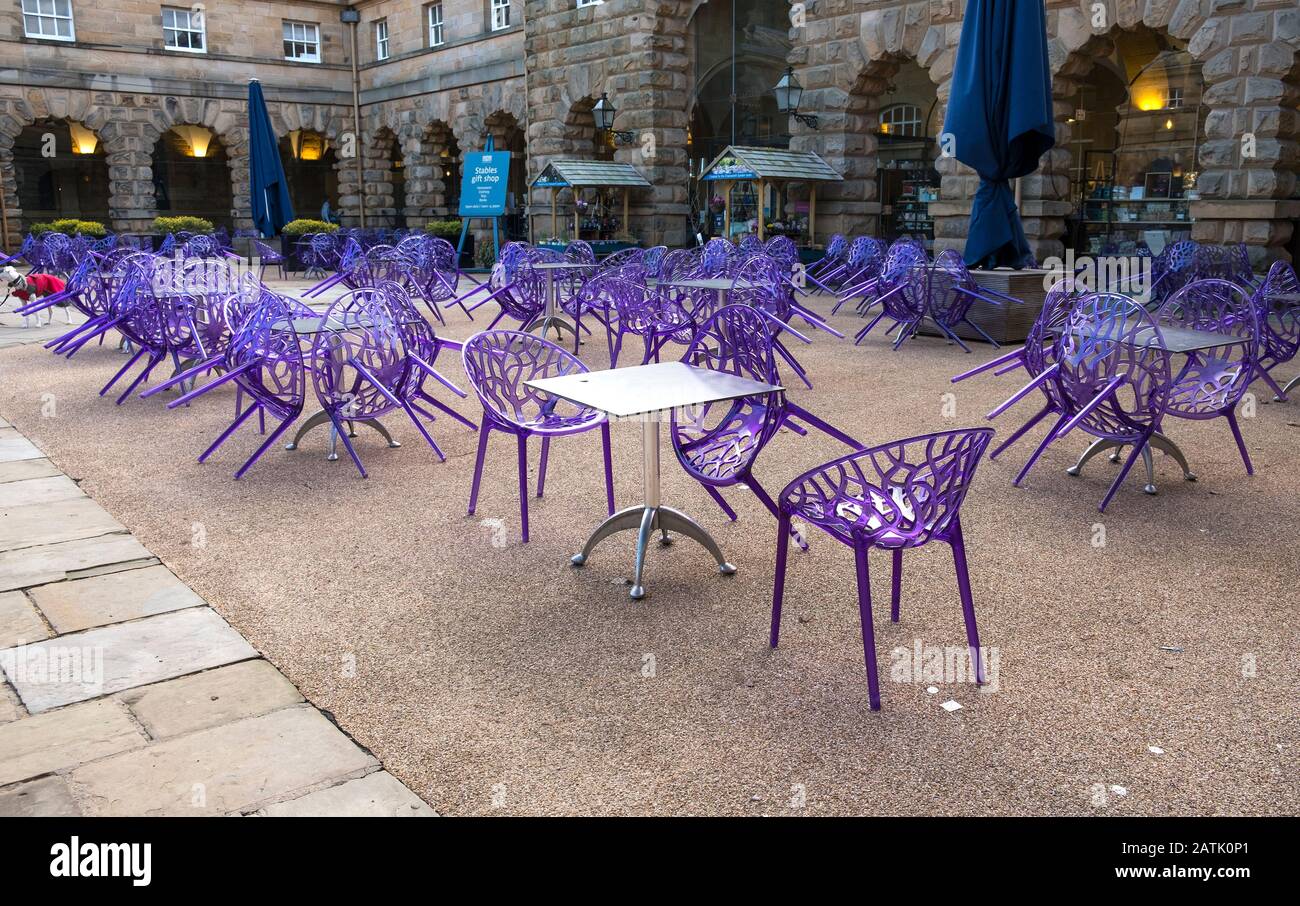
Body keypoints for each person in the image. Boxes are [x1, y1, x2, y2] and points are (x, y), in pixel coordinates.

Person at [2, 266, 70, 328]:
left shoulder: (29, 286)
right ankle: (26, 321)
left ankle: (39, 321)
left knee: (60, 299)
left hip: (46, 281)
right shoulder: (18, 288)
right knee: (26, 306)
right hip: (20, 284)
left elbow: (35, 306)